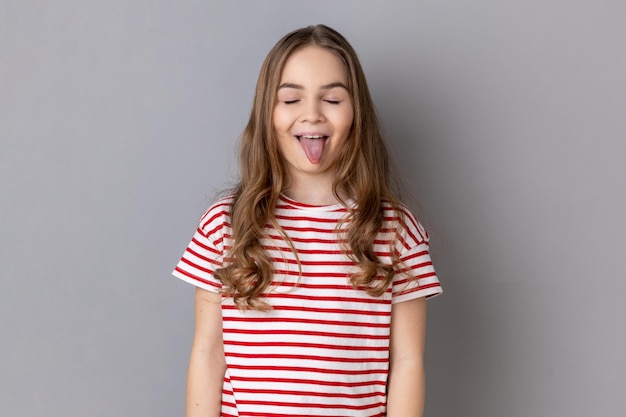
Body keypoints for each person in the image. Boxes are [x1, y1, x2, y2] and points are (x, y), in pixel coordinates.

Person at [173, 24, 442, 417]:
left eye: (332, 99)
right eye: (292, 99)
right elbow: (208, 352)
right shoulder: (225, 224)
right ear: (268, 112)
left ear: (356, 113)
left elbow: (407, 363)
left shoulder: (395, 230)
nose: (312, 114)